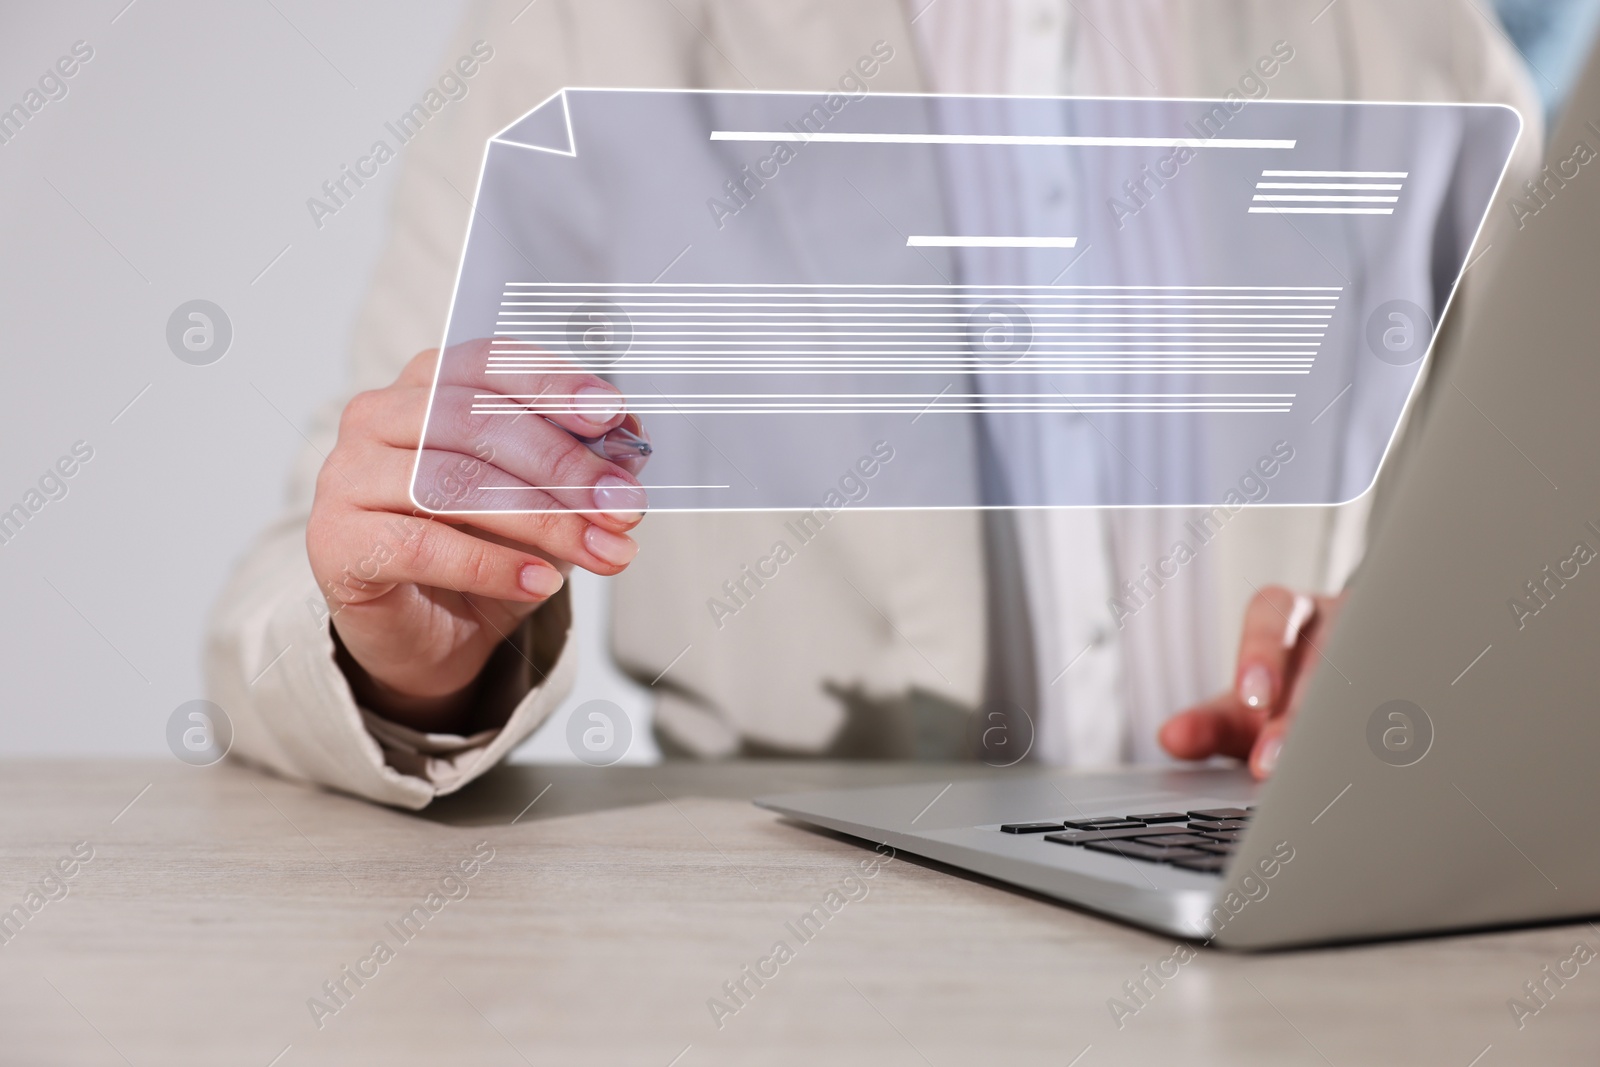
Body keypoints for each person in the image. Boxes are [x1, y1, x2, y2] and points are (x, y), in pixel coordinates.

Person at [207, 0, 1540, 808]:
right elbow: (290, 600)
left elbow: (1551, 571)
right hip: (797, 969)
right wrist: (404, 651)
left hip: (1276, 936)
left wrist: (1448, 670)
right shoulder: (600, 32)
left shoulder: (1415, 38)